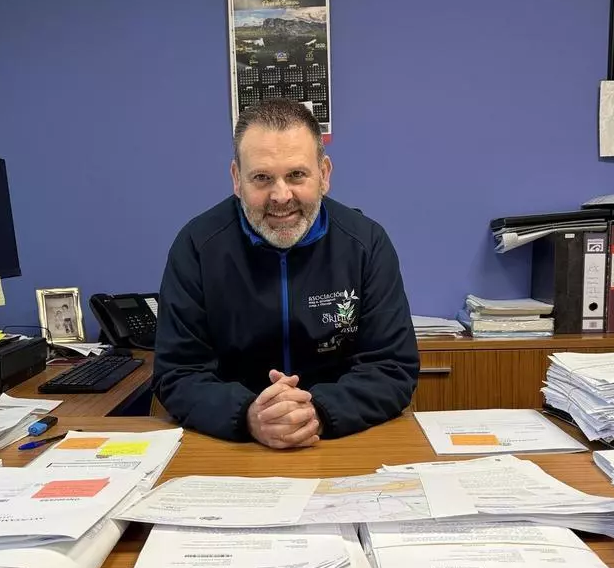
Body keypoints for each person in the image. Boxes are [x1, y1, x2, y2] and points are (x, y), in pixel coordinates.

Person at [152, 98, 419, 448]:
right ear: (237, 179)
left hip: (341, 437)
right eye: (262, 178)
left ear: (324, 174)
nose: (280, 196)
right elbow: (177, 373)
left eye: (296, 175)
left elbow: (392, 367)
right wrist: (249, 415)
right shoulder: (197, 247)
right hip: (232, 444)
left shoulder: (366, 244)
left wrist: (316, 412)